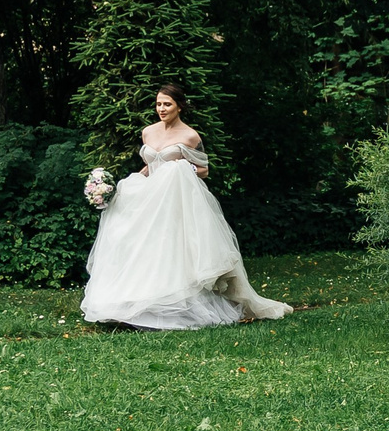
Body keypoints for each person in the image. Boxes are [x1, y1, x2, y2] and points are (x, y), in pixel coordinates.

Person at [80, 85, 289, 330]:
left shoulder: (190, 136)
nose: (161, 109)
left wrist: (179, 169)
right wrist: (126, 184)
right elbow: (150, 165)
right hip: (149, 199)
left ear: (179, 106)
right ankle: (132, 303)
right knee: (139, 247)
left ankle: (174, 305)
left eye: (167, 104)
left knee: (172, 250)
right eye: (158, 104)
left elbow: (203, 170)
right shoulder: (148, 132)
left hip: (175, 203)